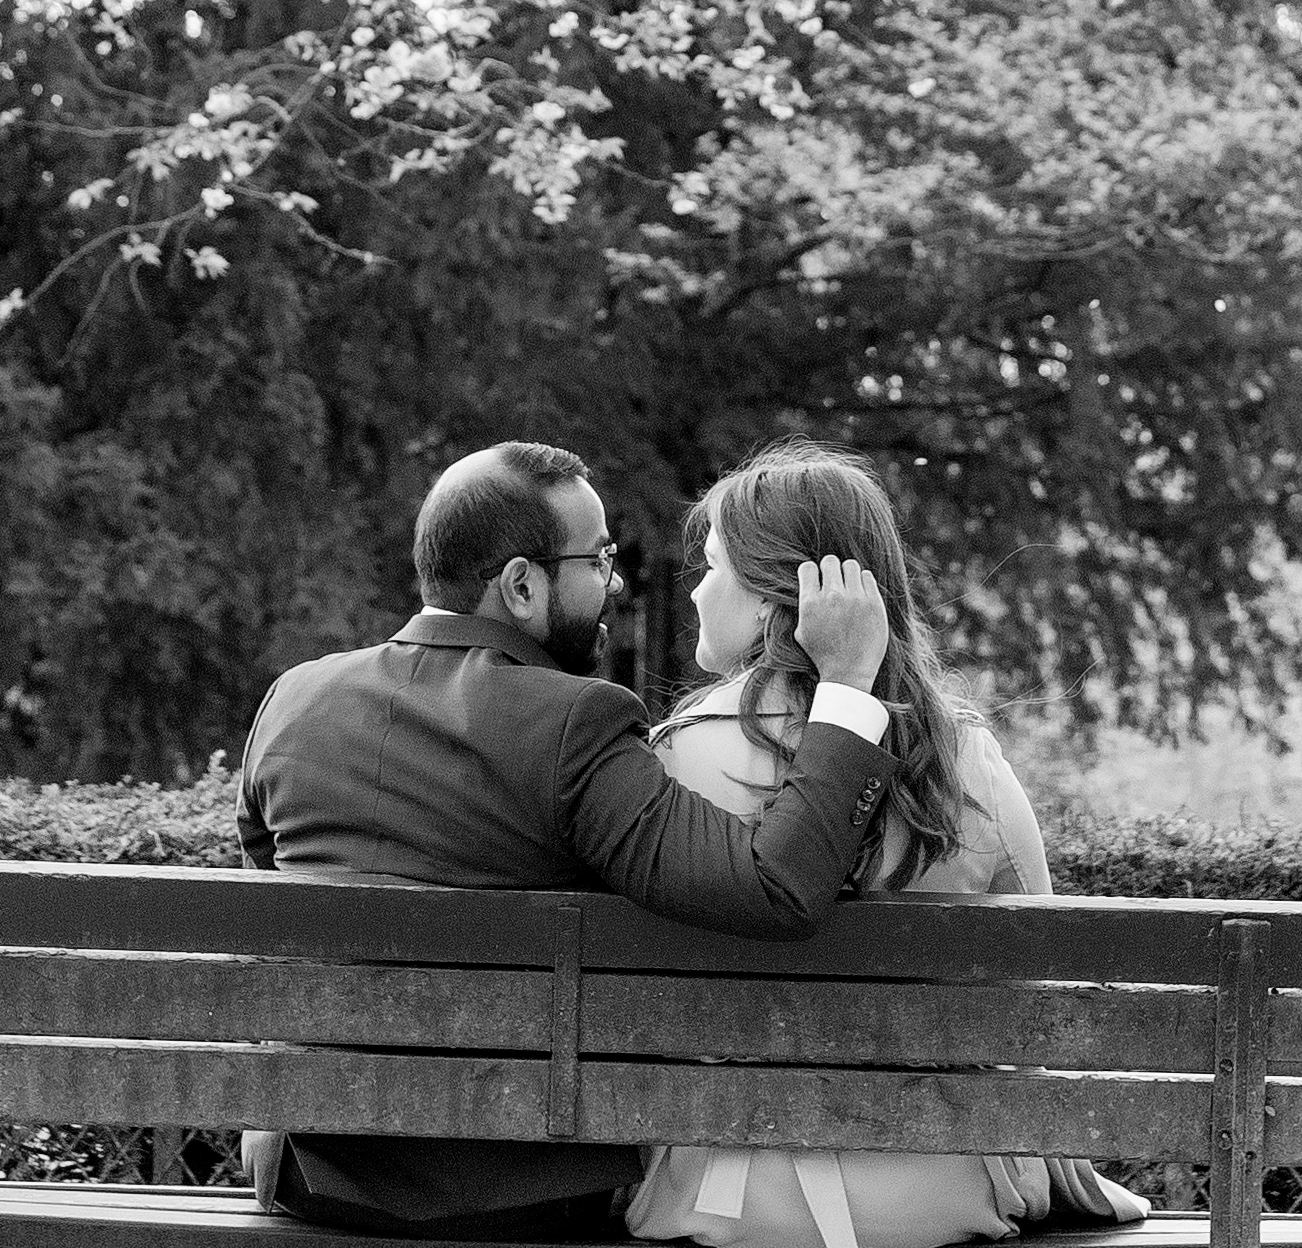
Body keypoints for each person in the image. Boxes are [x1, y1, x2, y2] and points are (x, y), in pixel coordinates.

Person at [235, 437, 897, 1240]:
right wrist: (848, 688)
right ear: (520, 584)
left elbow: (269, 896)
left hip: (306, 1171)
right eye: (598, 557)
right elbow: (774, 885)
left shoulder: (292, 701)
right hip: (521, 1190)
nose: (615, 581)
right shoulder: (574, 722)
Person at [626, 444, 1148, 1248]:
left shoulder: (676, 755)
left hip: (729, 1192)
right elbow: (1034, 990)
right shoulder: (967, 758)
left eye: (712, 565)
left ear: (779, 593)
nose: (695, 586)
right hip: (940, 1183)